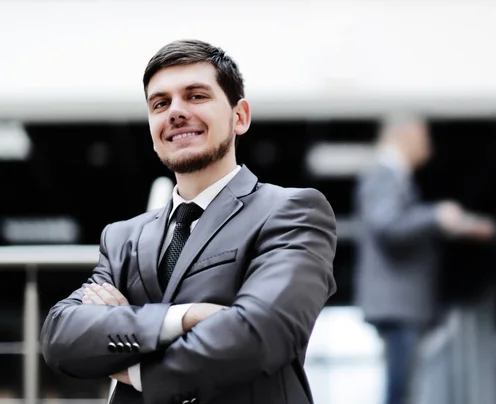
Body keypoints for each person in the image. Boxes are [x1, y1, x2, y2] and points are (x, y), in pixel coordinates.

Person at [40, 39, 337, 404]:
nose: (175, 112)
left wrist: (136, 369)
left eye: (196, 96)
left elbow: (260, 333)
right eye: (160, 103)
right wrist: (182, 317)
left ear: (239, 116)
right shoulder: (122, 237)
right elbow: (61, 337)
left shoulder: (292, 211)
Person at [353, 116, 495, 404]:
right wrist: (437, 216)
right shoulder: (384, 175)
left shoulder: (395, 177)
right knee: (400, 387)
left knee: (403, 385)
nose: (428, 147)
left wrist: (454, 225)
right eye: (423, 139)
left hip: (401, 301)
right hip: (397, 302)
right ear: (405, 137)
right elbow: (390, 227)